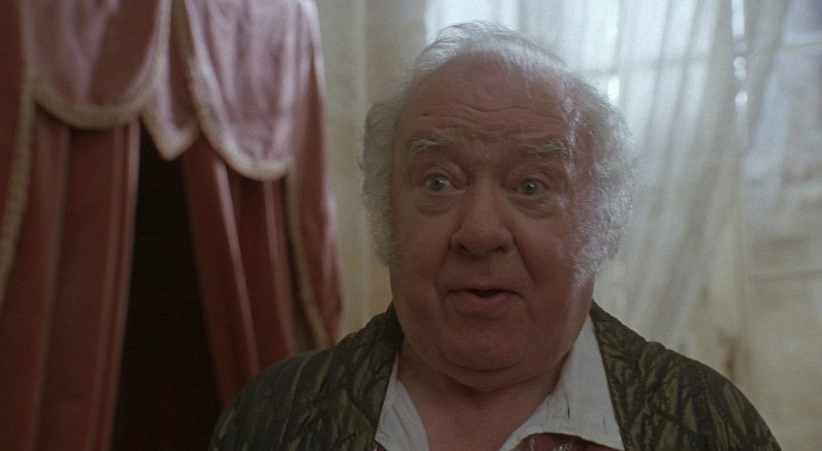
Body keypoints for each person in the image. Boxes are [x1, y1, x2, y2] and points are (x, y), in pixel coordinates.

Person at [209, 22, 780, 450]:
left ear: (599, 224)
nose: (480, 232)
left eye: (531, 186)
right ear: (387, 216)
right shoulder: (273, 420)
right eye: (438, 181)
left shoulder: (710, 425)